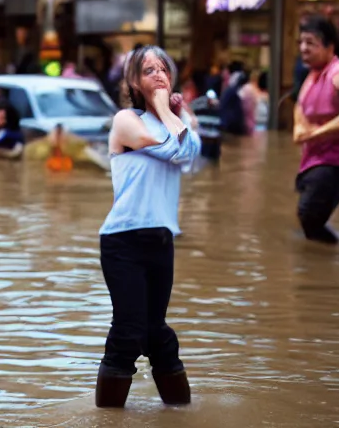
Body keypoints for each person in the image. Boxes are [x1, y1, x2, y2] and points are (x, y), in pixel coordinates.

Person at [95, 45, 200, 409]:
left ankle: (182, 415)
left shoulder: (176, 121)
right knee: (128, 332)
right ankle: (107, 418)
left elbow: (191, 152)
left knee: (158, 334)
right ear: (134, 82)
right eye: (149, 70)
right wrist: (166, 111)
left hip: (161, 240)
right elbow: (171, 147)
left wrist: (178, 111)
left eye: (163, 70)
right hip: (122, 241)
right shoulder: (126, 120)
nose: (158, 75)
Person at [294, 15, 339, 244]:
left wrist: (317, 133)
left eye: (311, 43)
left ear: (329, 47)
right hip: (319, 159)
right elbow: (300, 104)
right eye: (301, 42)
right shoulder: (312, 73)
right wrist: (298, 126)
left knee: (310, 214)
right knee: (311, 219)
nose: (304, 48)